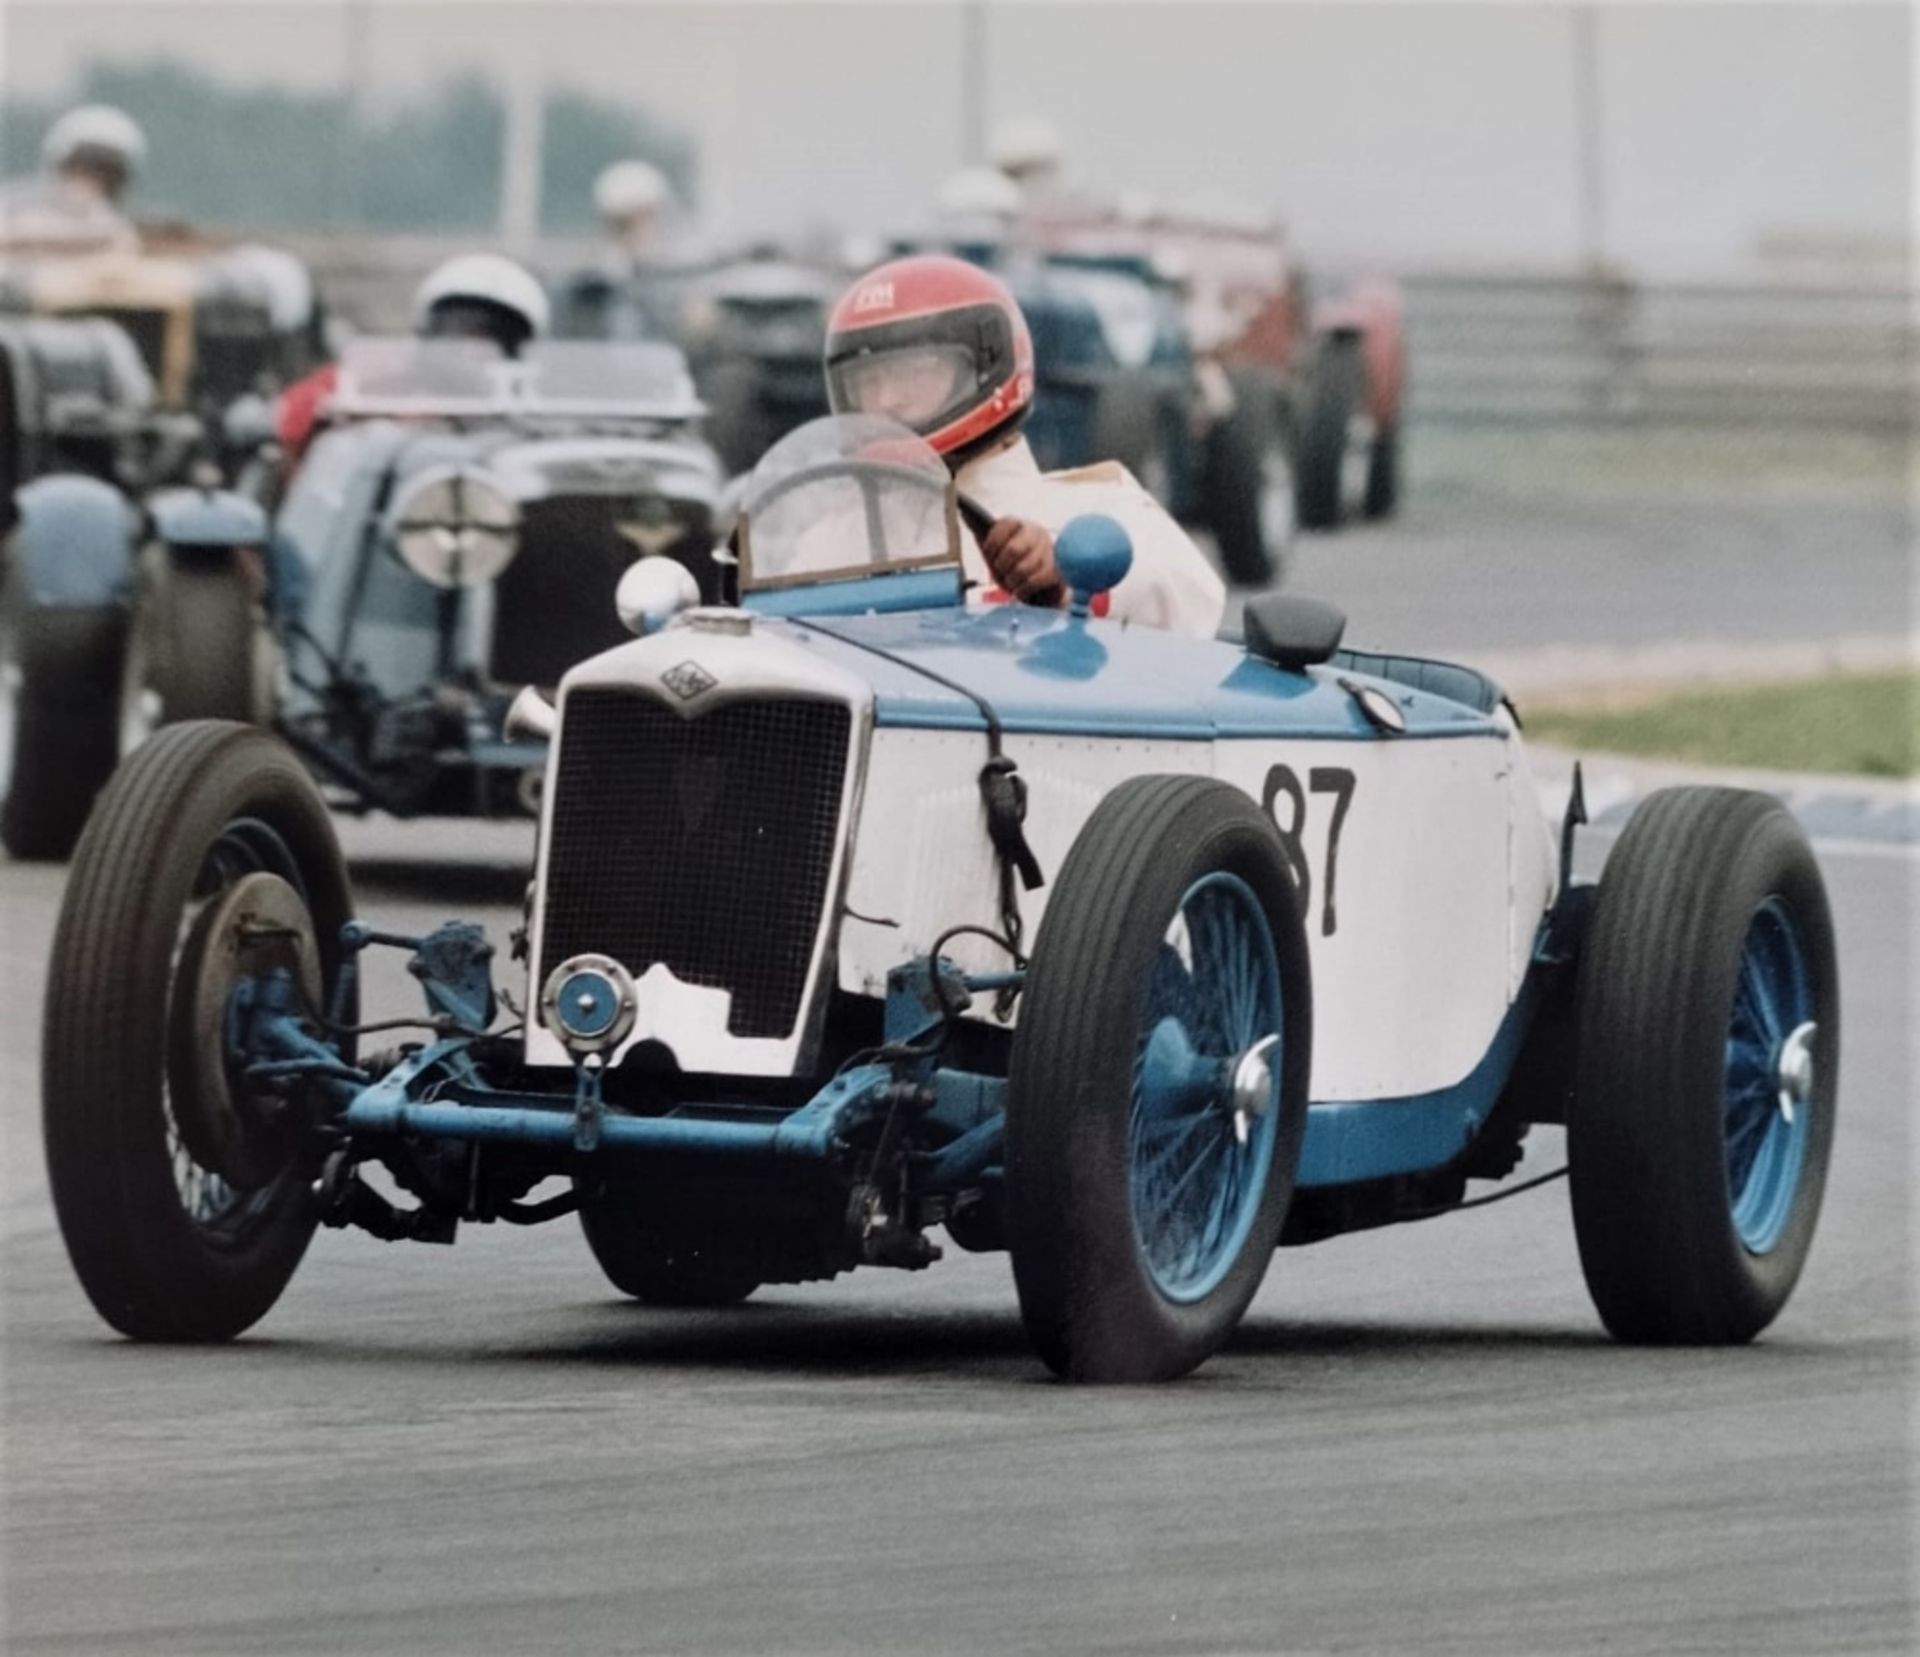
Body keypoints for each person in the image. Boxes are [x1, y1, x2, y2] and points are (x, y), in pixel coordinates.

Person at [822, 254, 1224, 636]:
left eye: (914, 373)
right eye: (870, 383)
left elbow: (1196, 601)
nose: (889, 398)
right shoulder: (835, 532)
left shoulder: (1097, 506)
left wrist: (1061, 575)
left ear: (985, 371)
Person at [275, 251, 550, 462]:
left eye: (488, 336)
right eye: (457, 332)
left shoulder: (536, 416)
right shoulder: (379, 387)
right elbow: (297, 415)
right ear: (429, 332)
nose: (469, 349)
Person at [0, 104, 146, 252]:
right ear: (61, 166)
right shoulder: (13, 207)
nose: (95, 180)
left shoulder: (116, 229)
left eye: (108, 172)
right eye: (86, 167)